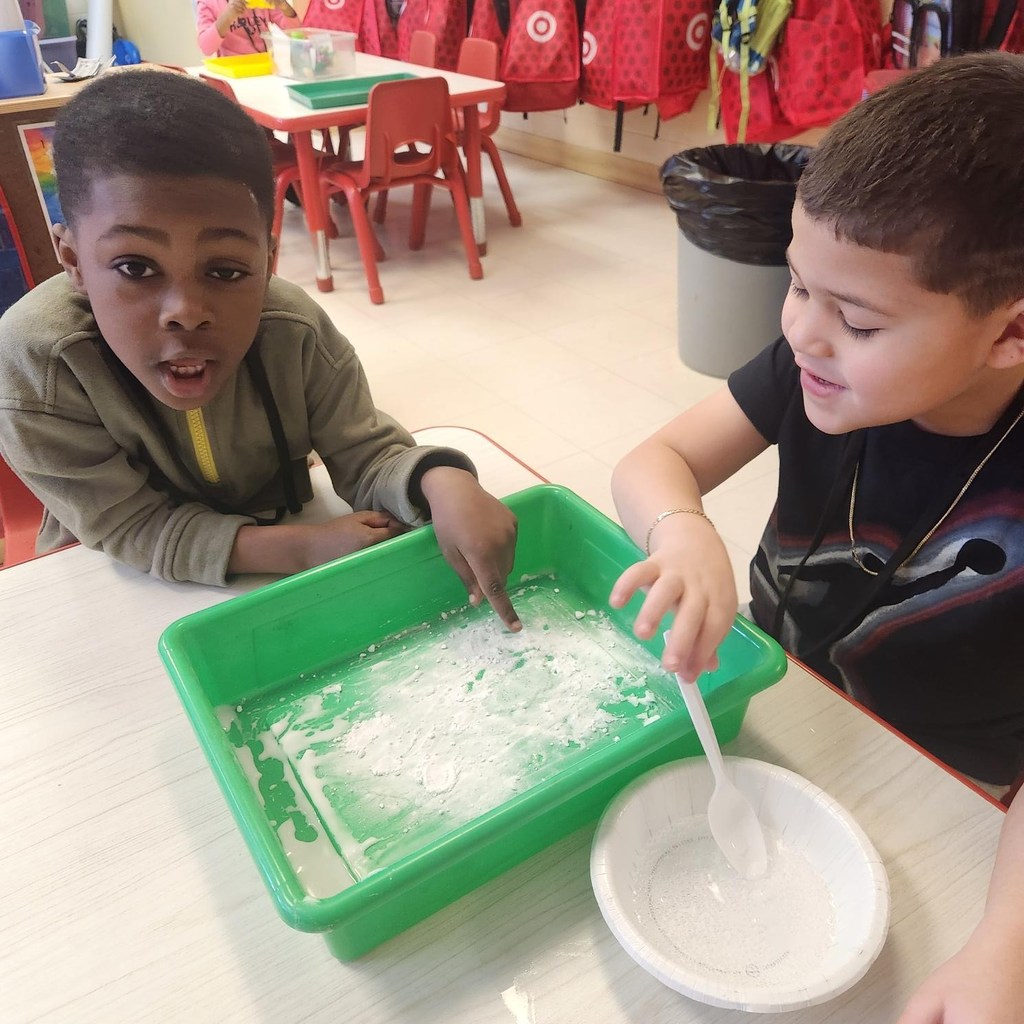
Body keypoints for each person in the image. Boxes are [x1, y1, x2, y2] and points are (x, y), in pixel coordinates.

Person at [610, 53, 1024, 1022]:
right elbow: (655, 459)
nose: (802, 332)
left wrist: (1002, 954)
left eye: (858, 321)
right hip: (780, 692)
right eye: (797, 285)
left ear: (1010, 334)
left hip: (945, 777)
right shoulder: (816, 365)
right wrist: (681, 530)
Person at [0, 69, 521, 632]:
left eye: (225, 270)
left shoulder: (294, 330)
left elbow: (367, 453)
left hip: (280, 565)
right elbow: (127, 526)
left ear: (269, 261)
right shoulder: (37, 363)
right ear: (73, 260)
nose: (186, 311)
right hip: (116, 589)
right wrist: (296, 548)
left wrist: (441, 481)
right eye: (136, 267)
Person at [196, 0, 299, 57]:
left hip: (263, 67)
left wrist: (284, 6)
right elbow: (206, 48)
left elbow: (296, 33)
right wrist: (227, 17)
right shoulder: (208, 3)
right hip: (231, 69)